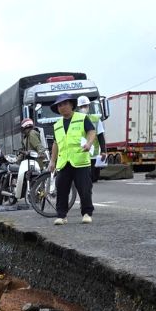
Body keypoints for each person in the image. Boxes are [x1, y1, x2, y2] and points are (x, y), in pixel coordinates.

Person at [48, 93, 96, 225]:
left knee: (84, 189)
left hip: (80, 160)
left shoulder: (82, 118)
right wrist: (52, 161)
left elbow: (91, 131)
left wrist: (89, 143)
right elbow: (56, 144)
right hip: (64, 162)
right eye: (59, 105)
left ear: (71, 105)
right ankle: (61, 216)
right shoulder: (57, 125)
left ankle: (87, 213)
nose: (62, 107)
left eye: (65, 104)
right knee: (61, 189)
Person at [77, 96, 106, 182]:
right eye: (81, 107)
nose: (83, 108)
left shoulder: (96, 119)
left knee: (94, 178)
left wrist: (103, 151)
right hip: (80, 155)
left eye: (85, 106)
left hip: (93, 155)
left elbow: (100, 136)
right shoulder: (75, 120)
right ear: (78, 108)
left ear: (89, 106)